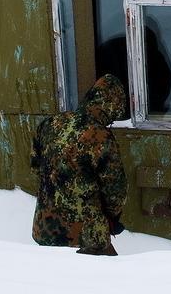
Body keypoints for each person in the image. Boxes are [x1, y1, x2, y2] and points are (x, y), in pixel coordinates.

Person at [30, 74, 128, 255]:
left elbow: (36, 166)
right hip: (87, 236)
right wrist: (111, 219)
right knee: (102, 282)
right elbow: (115, 191)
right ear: (110, 106)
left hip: (45, 229)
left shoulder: (48, 124)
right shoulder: (100, 136)